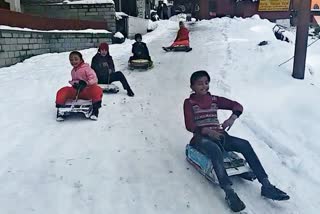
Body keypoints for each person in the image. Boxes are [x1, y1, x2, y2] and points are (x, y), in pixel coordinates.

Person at [183, 70, 289, 212]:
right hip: (201, 138)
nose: (204, 86)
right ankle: (229, 192)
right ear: (192, 86)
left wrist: (231, 118)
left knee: (244, 144)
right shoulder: (189, 103)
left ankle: (266, 185)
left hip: (220, 136)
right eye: (199, 84)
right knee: (214, 150)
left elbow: (238, 106)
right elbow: (190, 125)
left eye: (206, 83)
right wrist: (208, 131)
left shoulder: (214, 99)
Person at [55, 51, 103, 121]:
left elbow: (94, 79)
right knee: (63, 91)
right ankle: (60, 111)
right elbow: (75, 80)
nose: (73, 61)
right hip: (77, 91)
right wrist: (75, 84)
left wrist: (86, 83)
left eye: (76, 59)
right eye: (71, 60)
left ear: (81, 59)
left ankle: (95, 111)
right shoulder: (73, 71)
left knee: (97, 89)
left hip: (87, 91)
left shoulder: (87, 68)